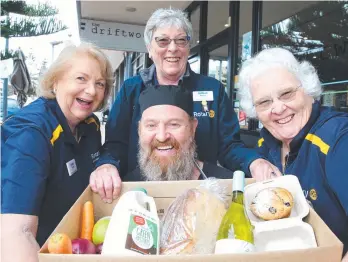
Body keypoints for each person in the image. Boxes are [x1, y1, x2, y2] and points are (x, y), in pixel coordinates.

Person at [90, 8, 280, 203]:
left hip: (201, 194)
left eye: (181, 40)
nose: (173, 48)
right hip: (142, 193)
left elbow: (229, 146)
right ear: (149, 47)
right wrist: (107, 165)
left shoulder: (211, 89)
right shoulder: (131, 89)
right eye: (163, 41)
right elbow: (115, 145)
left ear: (188, 47)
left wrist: (253, 161)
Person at [237, 47, 348, 260]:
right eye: (265, 102)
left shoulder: (340, 140)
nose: (278, 108)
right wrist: (255, 162)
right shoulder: (269, 140)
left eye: (287, 94)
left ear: (308, 90)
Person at [1, 43, 113, 262]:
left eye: (99, 83)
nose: (91, 90)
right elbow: (15, 232)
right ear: (55, 81)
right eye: (81, 79)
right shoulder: (31, 134)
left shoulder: (90, 126)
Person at [127, 84, 233, 181]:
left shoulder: (226, 183)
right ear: (140, 130)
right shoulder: (125, 187)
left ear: (192, 128)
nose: (162, 137)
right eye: (151, 125)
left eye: (174, 124)